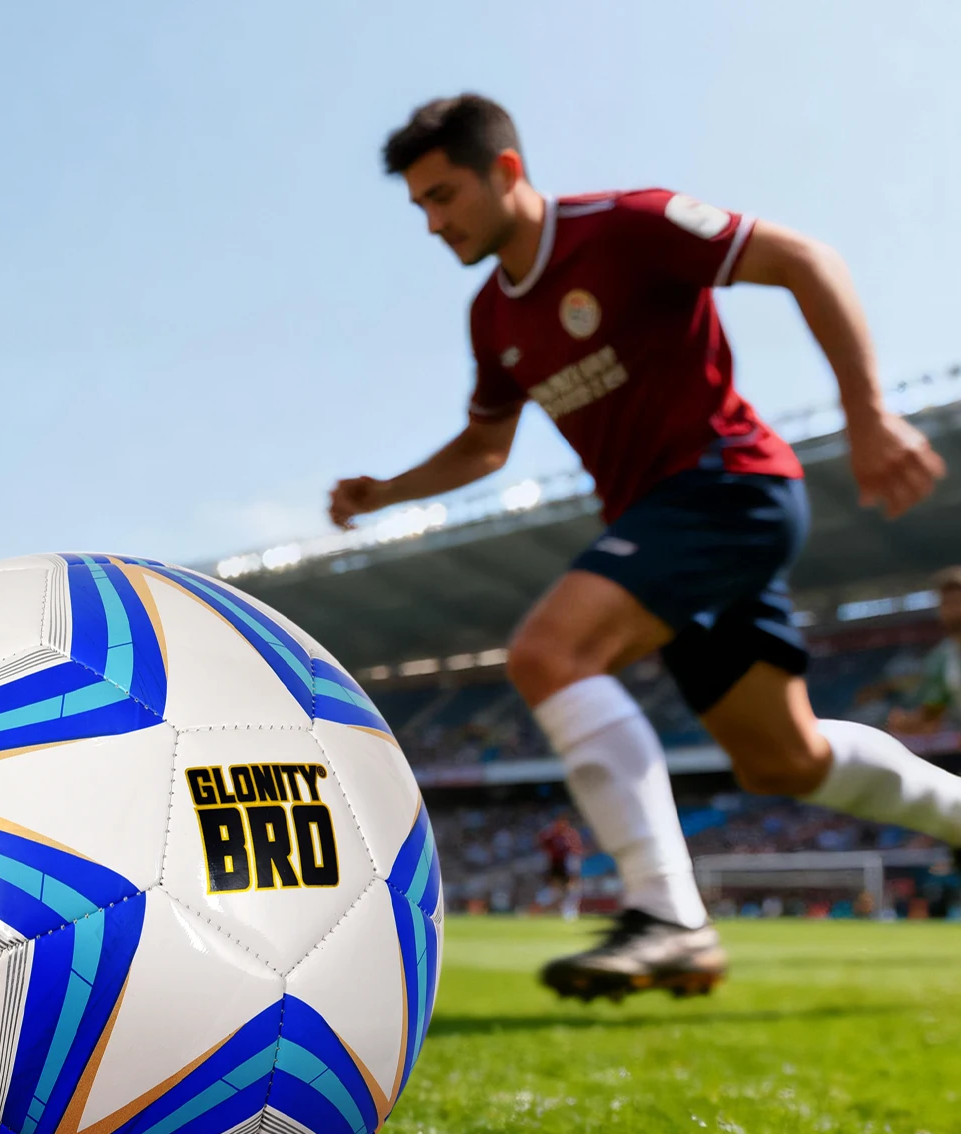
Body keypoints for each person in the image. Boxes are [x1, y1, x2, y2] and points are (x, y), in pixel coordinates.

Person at [329, 94, 959, 1001]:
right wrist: (388, 492)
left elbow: (804, 259)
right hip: (669, 525)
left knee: (549, 653)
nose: (433, 222)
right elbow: (485, 446)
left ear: (505, 170)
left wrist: (866, 413)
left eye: (444, 196)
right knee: (783, 760)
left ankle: (668, 917)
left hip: (728, 483)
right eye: (421, 206)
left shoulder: (628, 226)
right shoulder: (491, 320)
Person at [889, 567, 961, 738]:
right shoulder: (941, 659)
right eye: (946, 603)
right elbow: (933, 712)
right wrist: (908, 723)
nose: (952, 611)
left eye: (958, 602)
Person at [535, 813, 584, 920]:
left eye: (564, 823)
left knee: (572, 887)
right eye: (559, 823)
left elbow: (576, 851)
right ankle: (540, 905)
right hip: (555, 864)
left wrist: (573, 871)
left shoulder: (571, 835)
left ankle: (569, 910)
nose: (561, 826)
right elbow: (541, 843)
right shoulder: (550, 834)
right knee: (555, 888)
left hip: (567, 864)